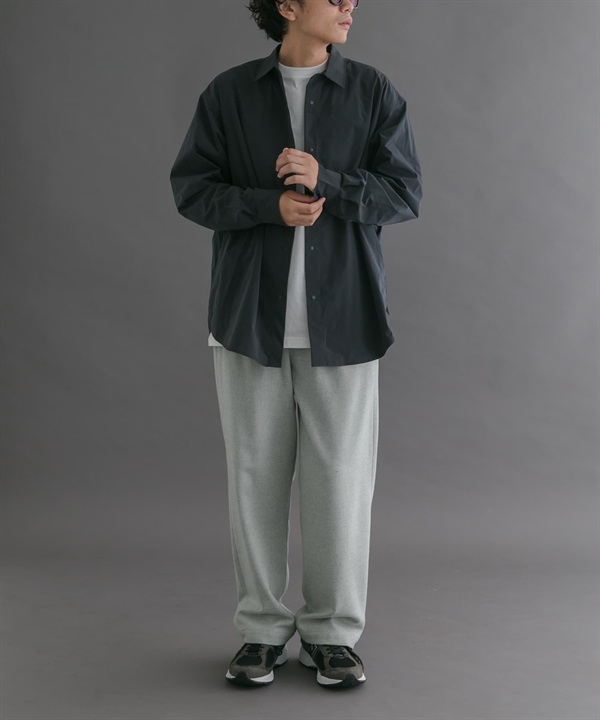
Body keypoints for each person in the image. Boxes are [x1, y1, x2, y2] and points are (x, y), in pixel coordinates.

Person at [169, 0, 423, 690]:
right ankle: (260, 631)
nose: (348, 5)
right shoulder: (229, 94)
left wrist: (327, 182)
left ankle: (332, 636)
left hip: (346, 322)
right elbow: (191, 190)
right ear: (287, 5)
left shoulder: (373, 92)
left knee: (340, 485)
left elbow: (404, 194)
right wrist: (268, 206)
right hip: (249, 320)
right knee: (253, 479)